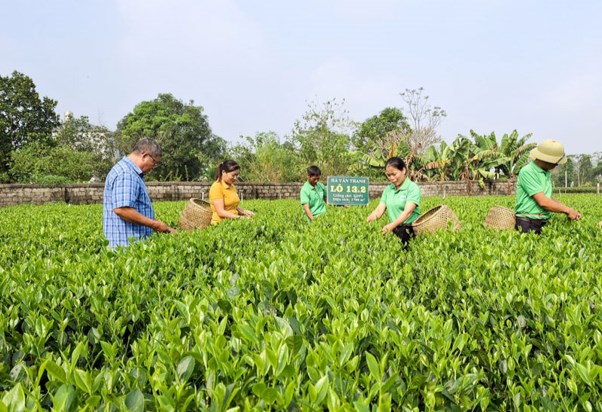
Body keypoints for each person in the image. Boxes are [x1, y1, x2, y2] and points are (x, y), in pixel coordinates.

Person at [103, 138, 176, 248]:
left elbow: (136, 209)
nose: (153, 167)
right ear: (144, 156)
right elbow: (122, 209)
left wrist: (166, 228)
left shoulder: (129, 171)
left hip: (131, 247)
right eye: (154, 162)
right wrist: (155, 225)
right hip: (127, 248)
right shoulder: (127, 173)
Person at [515, 139, 581, 234]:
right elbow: (543, 202)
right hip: (528, 222)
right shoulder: (528, 171)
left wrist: (569, 210)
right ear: (547, 159)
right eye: (556, 162)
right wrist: (567, 210)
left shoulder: (546, 173)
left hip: (542, 220)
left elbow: (547, 197)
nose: (557, 164)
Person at [366, 157, 421, 247]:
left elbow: (407, 212)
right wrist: (366, 222)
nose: (391, 178)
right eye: (388, 175)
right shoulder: (388, 189)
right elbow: (379, 210)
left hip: (410, 230)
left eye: (394, 174)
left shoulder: (412, 188)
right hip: (395, 228)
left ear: (403, 170)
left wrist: (391, 226)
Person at [209, 160, 254, 224]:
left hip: (233, 221)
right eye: (233, 175)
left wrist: (244, 211)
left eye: (237, 175)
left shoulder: (231, 186)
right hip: (221, 224)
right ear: (223, 172)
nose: (235, 178)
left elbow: (232, 207)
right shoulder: (216, 187)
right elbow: (220, 212)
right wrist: (240, 218)